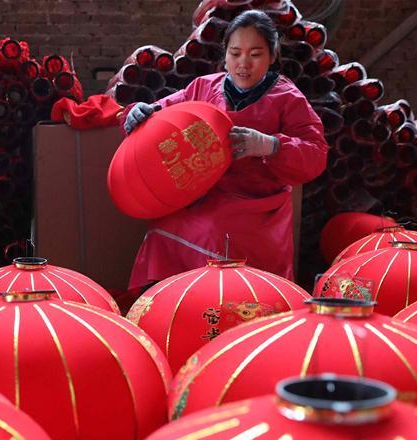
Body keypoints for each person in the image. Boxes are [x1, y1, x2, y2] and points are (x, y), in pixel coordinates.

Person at [122, 9, 328, 289]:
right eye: (235, 53)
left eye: (255, 54)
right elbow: (166, 110)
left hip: (256, 205)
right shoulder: (205, 87)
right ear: (225, 54)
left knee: (215, 233)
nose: (244, 63)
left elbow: (315, 152)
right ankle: (170, 306)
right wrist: (139, 111)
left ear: (272, 55)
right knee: (162, 229)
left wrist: (271, 145)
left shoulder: (287, 97)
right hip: (204, 194)